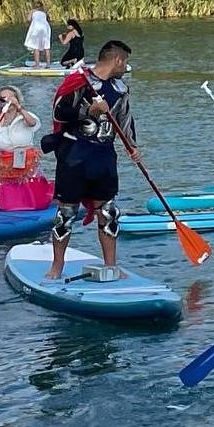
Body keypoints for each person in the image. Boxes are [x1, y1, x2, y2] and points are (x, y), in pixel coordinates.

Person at [48, 40, 138, 279]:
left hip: (104, 156)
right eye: (125, 61)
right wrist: (88, 111)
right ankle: (56, 267)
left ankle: (111, 266)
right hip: (75, 155)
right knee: (66, 212)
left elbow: (125, 119)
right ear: (117, 59)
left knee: (108, 211)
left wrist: (132, 146)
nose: (126, 66)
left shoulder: (120, 88)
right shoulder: (80, 81)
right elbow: (59, 112)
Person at [0, 85, 54, 212]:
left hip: (25, 155)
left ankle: (36, 201)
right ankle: (14, 204)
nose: (7, 100)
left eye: (10, 97)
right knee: (10, 184)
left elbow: (32, 123)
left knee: (29, 182)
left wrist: (18, 107)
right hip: (7, 158)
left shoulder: (24, 116)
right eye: (3, 98)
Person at [24, 3, 52, 67]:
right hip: (46, 28)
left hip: (37, 27)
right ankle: (48, 64)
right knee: (47, 46)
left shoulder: (32, 11)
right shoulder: (44, 12)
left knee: (36, 46)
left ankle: (37, 65)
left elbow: (28, 19)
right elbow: (48, 20)